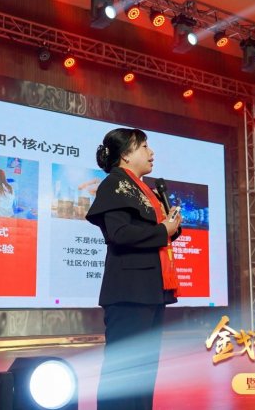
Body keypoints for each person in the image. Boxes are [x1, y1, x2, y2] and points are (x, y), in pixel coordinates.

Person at [86, 128, 182, 410]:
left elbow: (151, 232)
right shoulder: (114, 184)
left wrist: (170, 226)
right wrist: (162, 230)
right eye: (144, 147)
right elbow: (119, 234)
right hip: (129, 292)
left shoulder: (143, 188)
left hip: (150, 289)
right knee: (123, 371)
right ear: (126, 155)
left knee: (143, 372)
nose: (151, 153)